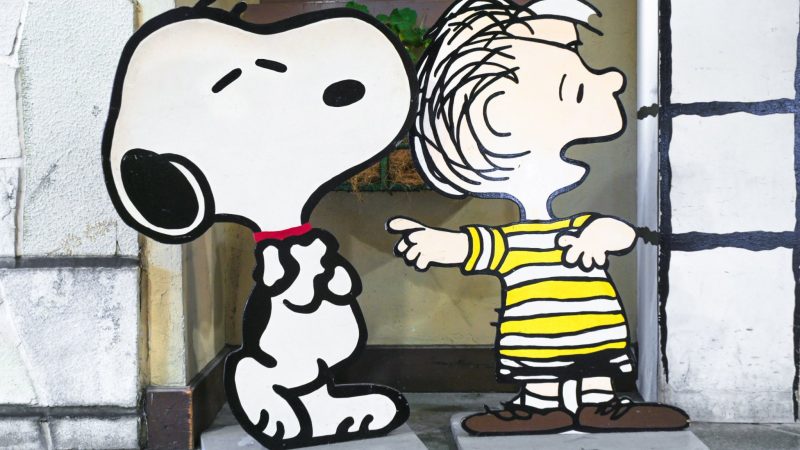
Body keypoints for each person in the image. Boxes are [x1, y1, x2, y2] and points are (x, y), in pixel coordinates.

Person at [387, 0, 689, 434]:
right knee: (540, 379)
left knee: (597, 372)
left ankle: (600, 404)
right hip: (535, 344)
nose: (615, 79)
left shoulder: (578, 227)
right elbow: (475, 247)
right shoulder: (514, 242)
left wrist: (598, 236)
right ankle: (540, 406)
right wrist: (436, 243)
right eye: (576, 90)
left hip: (596, 337)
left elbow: (620, 234)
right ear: (500, 118)